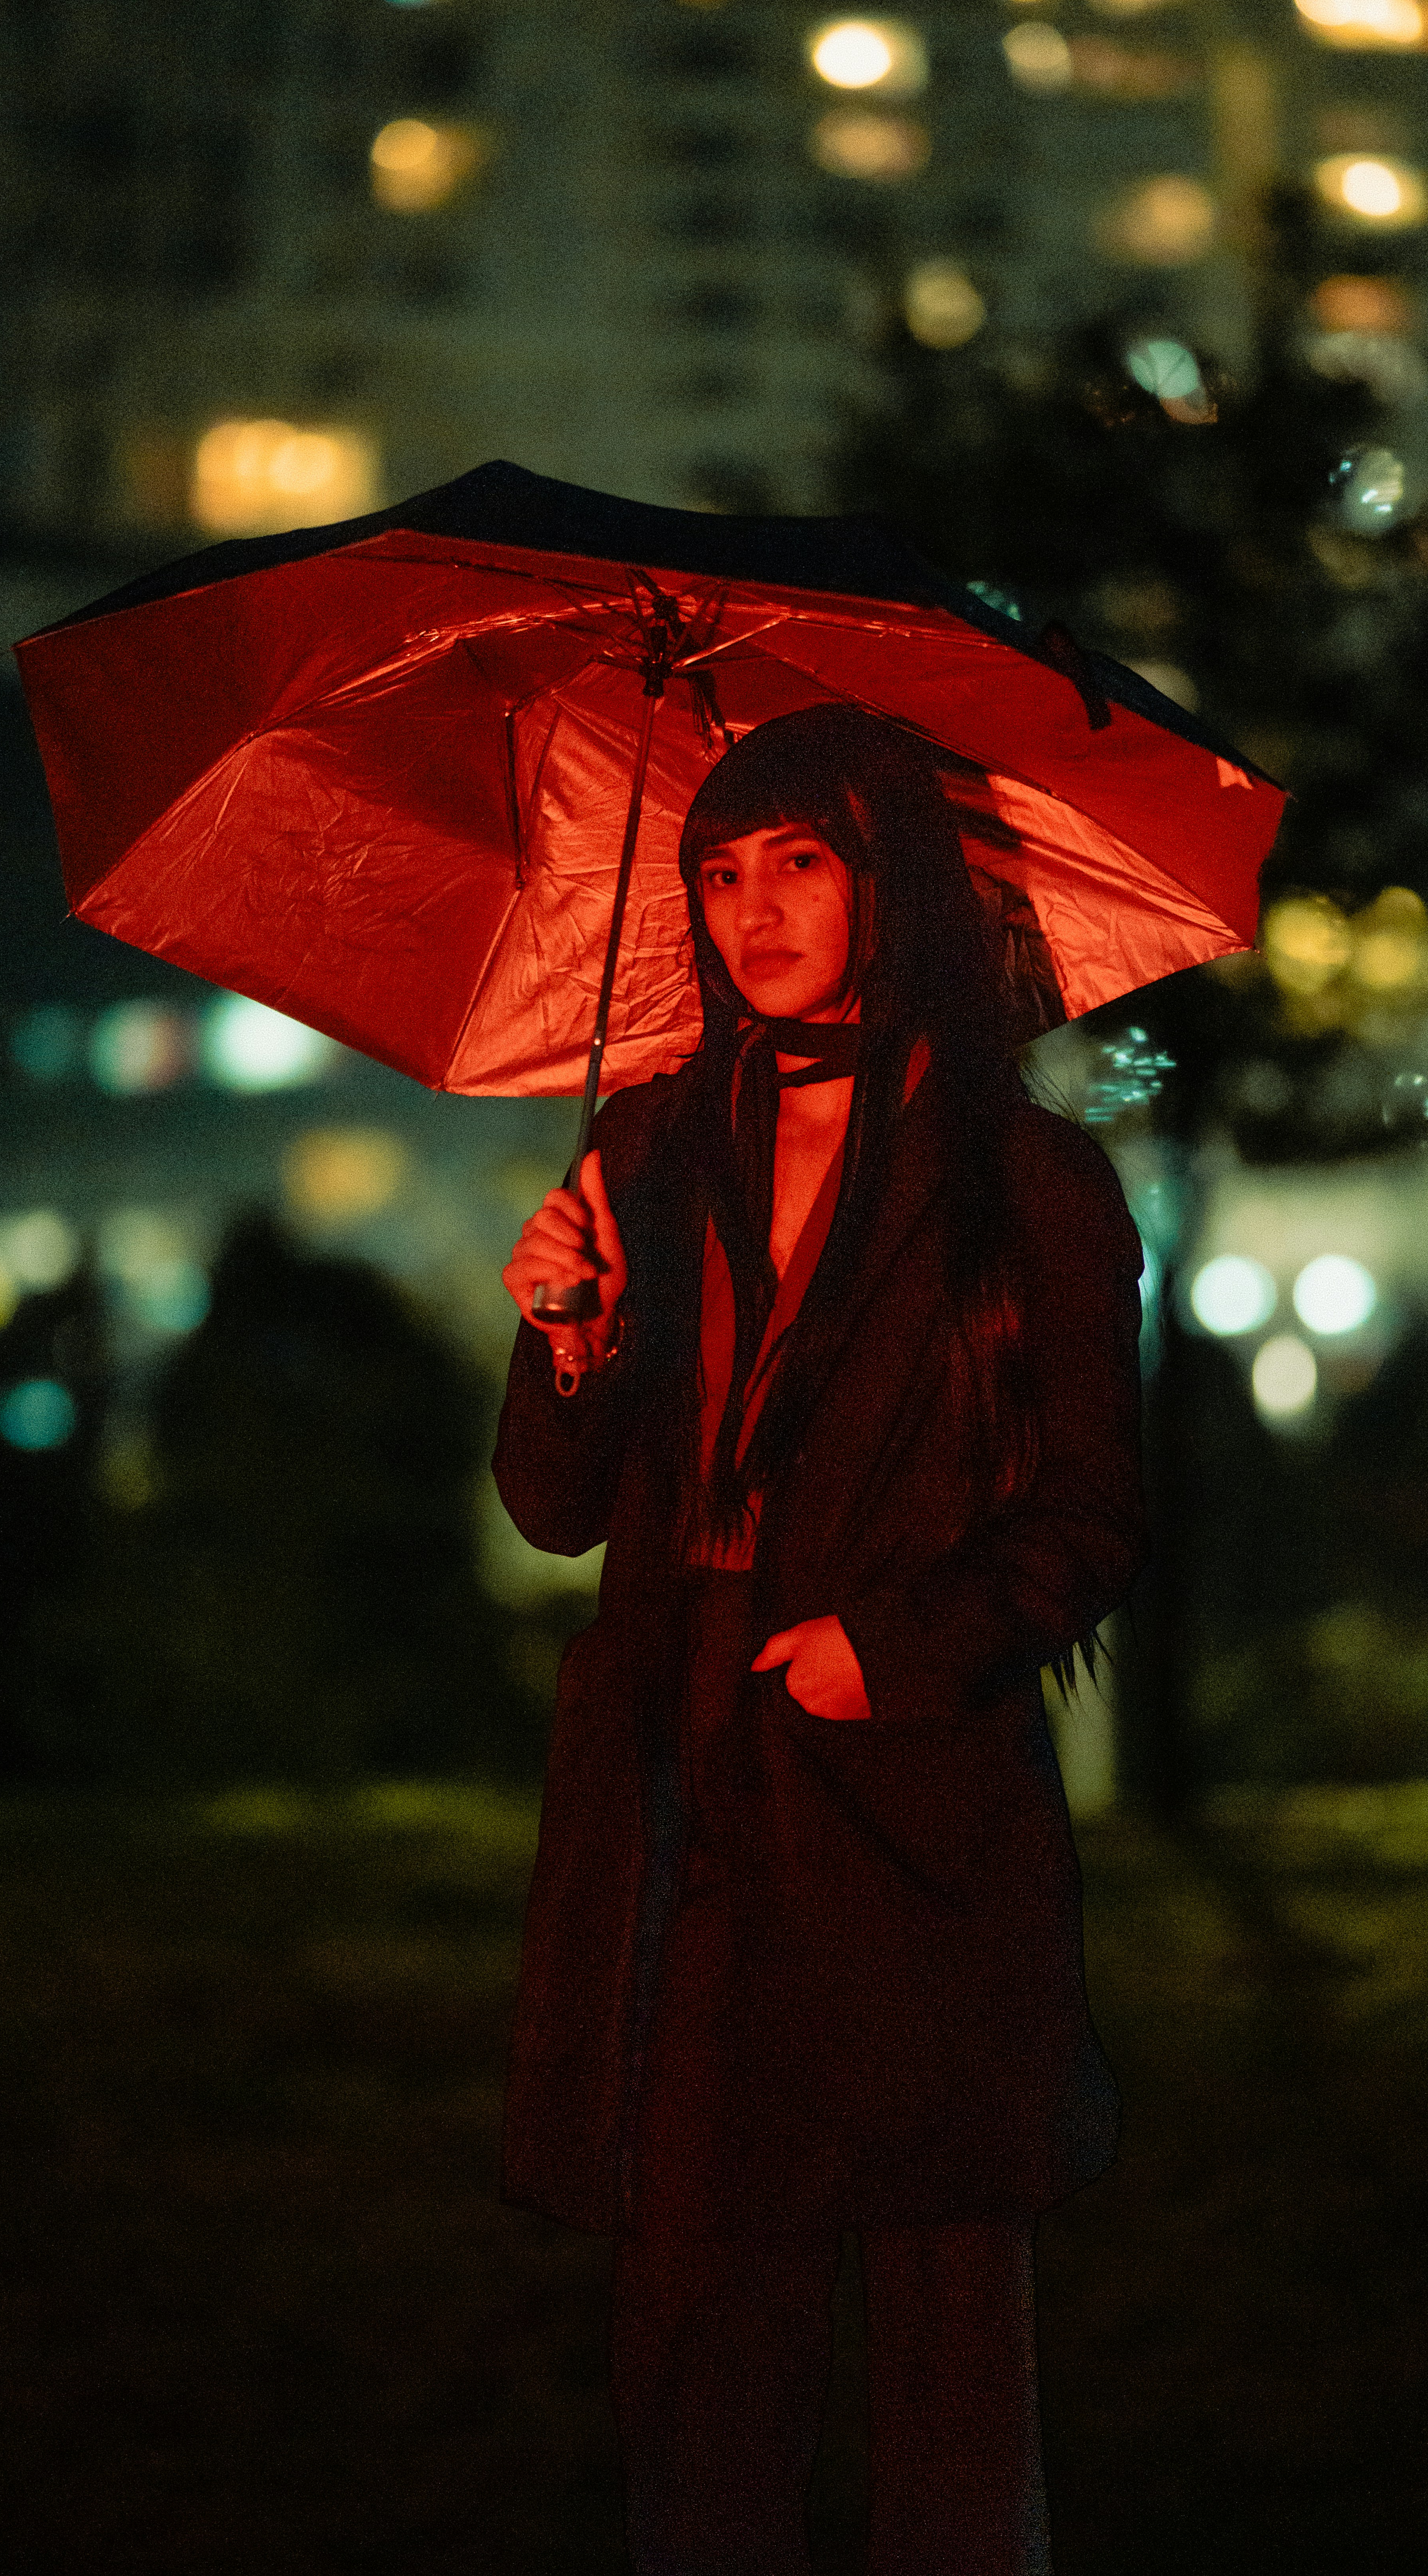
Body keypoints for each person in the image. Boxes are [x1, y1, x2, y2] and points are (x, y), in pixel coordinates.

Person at [495, 703, 1147, 2576]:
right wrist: (567, 1335)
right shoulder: (650, 1144)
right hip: (684, 1780)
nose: (752, 908)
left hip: (911, 1803)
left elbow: (1092, 1519)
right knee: (698, 2322)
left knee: (949, 2339)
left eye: (801, 862)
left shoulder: (1019, 1184)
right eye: (719, 870)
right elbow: (555, 1501)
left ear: (890, 881)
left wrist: (901, 1646)